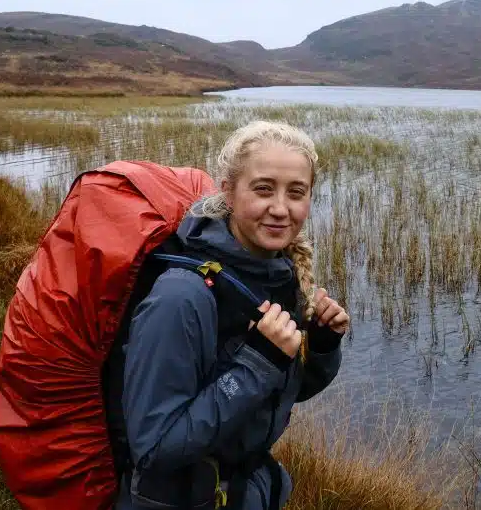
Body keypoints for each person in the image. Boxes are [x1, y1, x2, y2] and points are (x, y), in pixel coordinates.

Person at [113, 119, 349, 510]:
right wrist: (259, 362)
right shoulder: (180, 298)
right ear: (228, 191)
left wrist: (322, 346)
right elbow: (154, 448)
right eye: (262, 189)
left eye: (296, 192)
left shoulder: (275, 276)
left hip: (244, 493)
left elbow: (279, 394)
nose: (280, 209)